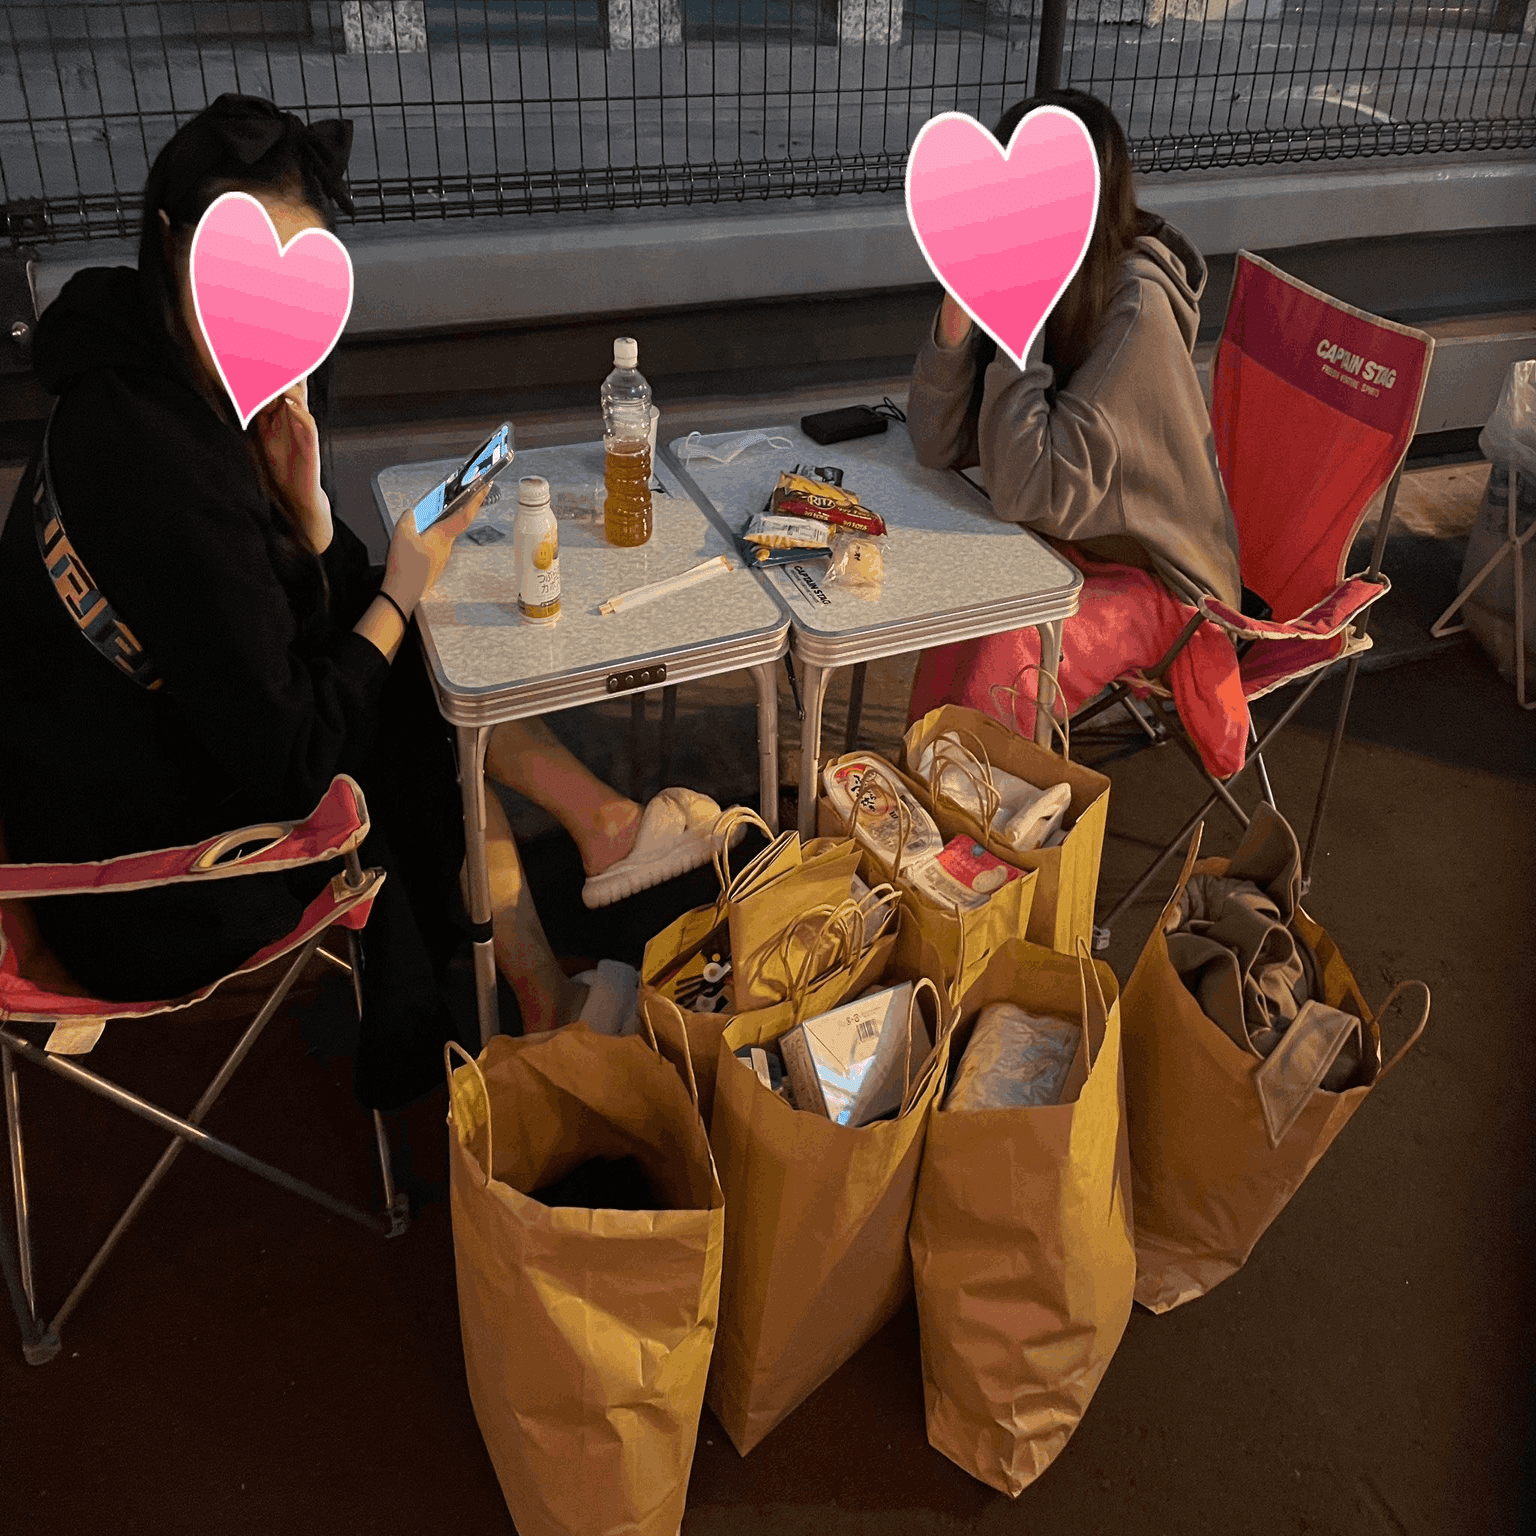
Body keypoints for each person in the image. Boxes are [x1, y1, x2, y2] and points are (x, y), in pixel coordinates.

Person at [0, 94, 718, 1111]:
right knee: (410, 690)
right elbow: (297, 749)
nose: (265, 317)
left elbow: (274, 625)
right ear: (170, 243)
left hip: (130, 766)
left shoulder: (143, 374)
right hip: (139, 882)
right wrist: (397, 588)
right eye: (236, 274)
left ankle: (584, 868)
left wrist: (311, 520)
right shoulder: (159, 459)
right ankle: (556, 942)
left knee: (407, 661)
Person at [906, 89, 1247, 757]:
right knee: (957, 596)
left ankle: (972, 810)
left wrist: (1018, 320)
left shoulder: (1136, 311)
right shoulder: (1046, 282)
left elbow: (1025, 491)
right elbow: (934, 443)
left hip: (1168, 588)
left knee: (1013, 637)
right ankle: (917, 785)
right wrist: (957, 317)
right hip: (1071, 538)